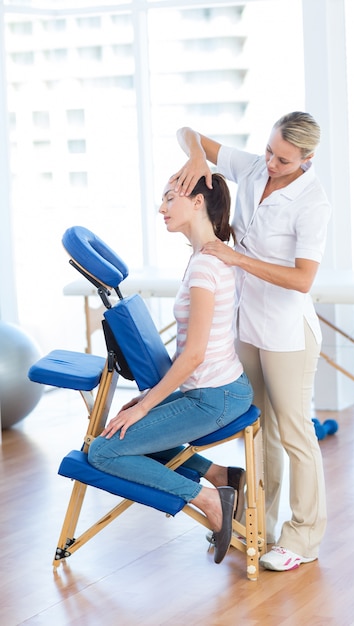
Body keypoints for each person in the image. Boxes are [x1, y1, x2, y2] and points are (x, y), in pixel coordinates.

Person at [171, 111, 331, 572]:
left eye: (283, 158)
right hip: (248, 326)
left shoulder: (313, 202)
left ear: (306, 158)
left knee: (295, 433)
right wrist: (200, 156)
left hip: (287, 333)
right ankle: (259, 524)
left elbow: (302, 279)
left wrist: (236, 258)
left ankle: (304, 537)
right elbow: (187, 133)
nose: (271, 162)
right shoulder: (256, 167)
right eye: (268, 150)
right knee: (258, 433)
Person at [88, 173, 254, 565]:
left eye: (168, 198)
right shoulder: (204, 256)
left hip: (213, 397)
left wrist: (147, 407)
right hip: (219, 389)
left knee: (104, 452)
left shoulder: (204, 266)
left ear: (198, 202)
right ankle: (220, 475)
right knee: (134, 432)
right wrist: (150, 399)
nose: (161, 208)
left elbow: (193, 355)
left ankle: (211, 498)